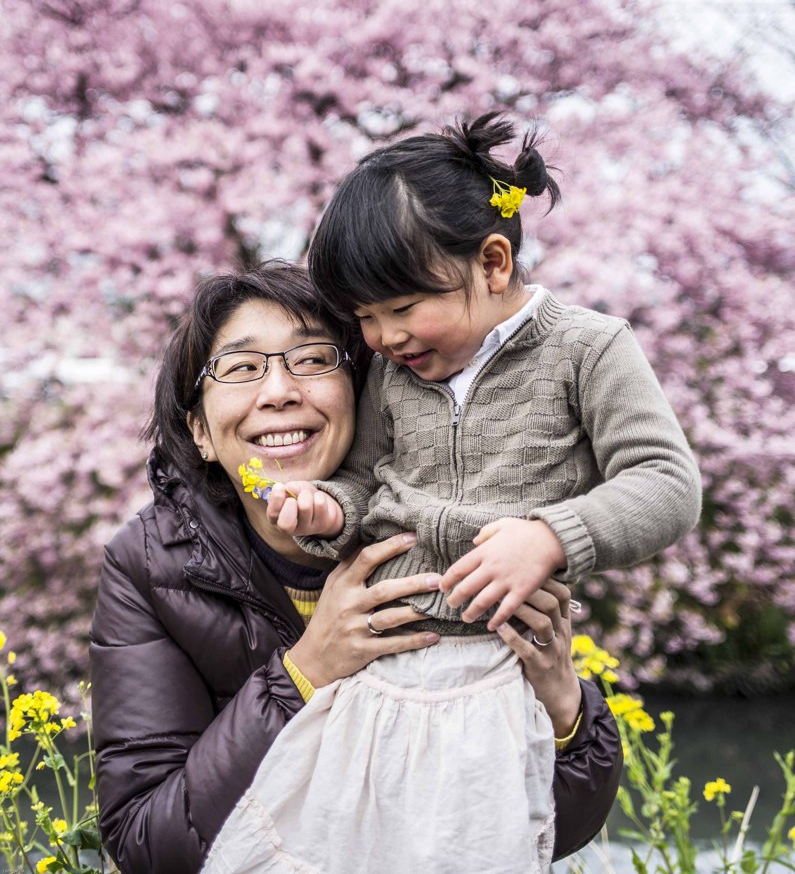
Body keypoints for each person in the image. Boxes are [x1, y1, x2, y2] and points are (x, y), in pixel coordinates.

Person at [205, 114, 701, 873]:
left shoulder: (588, 349)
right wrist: (328, 509)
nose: (379, 338)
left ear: (493, 263)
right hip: (380, 667)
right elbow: (366, 479)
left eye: (399, 309)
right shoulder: (395, 372)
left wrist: (548, 537)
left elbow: (665, 483)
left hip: (498, 672)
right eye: (364, 318)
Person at [90, 262, 623, 874]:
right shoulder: (151, 567)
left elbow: (551, 834)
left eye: (313, 360)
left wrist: (563, 708)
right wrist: (304, 672)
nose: (279, 391)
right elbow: (144, 842)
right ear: (200, 431)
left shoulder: (450, 538)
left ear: (368, 394)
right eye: (240, 368)